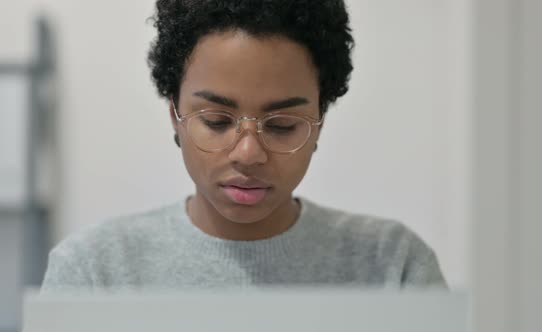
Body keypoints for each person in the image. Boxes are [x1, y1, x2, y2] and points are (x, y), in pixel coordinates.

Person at [41, 0, 446, 292]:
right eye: (217, 122)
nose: (248, 153)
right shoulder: (95, 272)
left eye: (283, 125)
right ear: (174, 117)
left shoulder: (393, 267)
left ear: (319, 123)